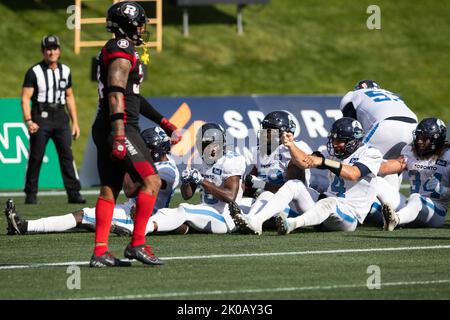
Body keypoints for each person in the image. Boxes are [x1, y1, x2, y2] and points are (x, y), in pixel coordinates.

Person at [90, 1, 180, 267]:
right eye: (140, 23)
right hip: (120, 127)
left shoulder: (119, 49)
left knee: (109, 190)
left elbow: (132, 97)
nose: (142, 28)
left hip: (109, 125)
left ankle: (100, 252)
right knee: (152, 181)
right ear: (128, 24)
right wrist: (119, 134)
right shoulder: (122, 47)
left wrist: (165, 123)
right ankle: (137, 244)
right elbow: (117, 91)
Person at [5, 127, 180, 236]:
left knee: (82, 215)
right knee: (88, 219)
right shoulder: (160, 164)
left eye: (146, 148)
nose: (143, 151)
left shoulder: (168, 171)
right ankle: (107, 225)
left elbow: (130, 190)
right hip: (132, 209)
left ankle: (26, 226)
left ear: (158, 149)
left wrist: (127, 161)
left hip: (141, 217)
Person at [231, 117, 383, 235]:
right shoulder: (331, 153)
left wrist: (325, 161)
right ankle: (256, 221)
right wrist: (290, 145)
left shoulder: (370, 153)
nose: (335, 144)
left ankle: (293, 223)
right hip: (320, 210)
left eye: (339, 141)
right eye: (333, 140)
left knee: (330, 202)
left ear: (353, 141)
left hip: (349, 215)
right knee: (294, 184)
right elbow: (304, 162)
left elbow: (354, 174)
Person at [144, 123, 246, 234]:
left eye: (211, 144)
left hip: (226, 217)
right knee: (174, 220)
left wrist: (201, 180)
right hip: (206, 211)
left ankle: (144, 227)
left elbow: (230, 197)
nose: (207, 148)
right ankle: (151, 225)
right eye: (203, 144)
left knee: (183, 210)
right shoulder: (198, 159)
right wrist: (186, 181)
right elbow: (187, 195)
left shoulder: (231, 161)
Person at [21, 35, 85, 205]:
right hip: (41, 116)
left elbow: (69, 97)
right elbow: (25, 98)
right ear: (43, 51)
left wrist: (75, 122)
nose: (51, 52)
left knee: (67, 155)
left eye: (54, 48)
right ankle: (31, 193)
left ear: (59, 51)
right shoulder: (34, 72)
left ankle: (74, 193)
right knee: (36, 155)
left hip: (60, 116)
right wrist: (28, 120)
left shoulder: (66, 70)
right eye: (48, 49)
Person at [339, 80, 418, 189]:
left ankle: (348, 198)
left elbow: (351, 126)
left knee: (359, 161)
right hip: (414, 126)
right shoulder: (389, 93)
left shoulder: (354, 95)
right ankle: (391, 200)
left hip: (386, 125)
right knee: (394, 165)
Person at [240, 111, 312, 225]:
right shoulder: (260, 151)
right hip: (267, 201)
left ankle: (250, 220)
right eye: (264, 130)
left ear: (284, 133)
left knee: (266, 195)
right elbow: (250, 184)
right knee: (237, 205)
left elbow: (289, 190)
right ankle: (248, 220)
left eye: (270, 131)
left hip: (292, 206)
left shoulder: (294, 149)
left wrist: (260, 184)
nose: (265, 134)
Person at [379, 118, 449, 230]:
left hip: (436, 211)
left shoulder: (448, 157)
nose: (419, 141)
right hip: (409, 204)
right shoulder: (409, 151)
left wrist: (442, 190)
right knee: (376, 182)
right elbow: (396, 165)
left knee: (416, 198)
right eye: (418, 137)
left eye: (424, 138)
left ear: (437, 139)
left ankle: (396, 220)